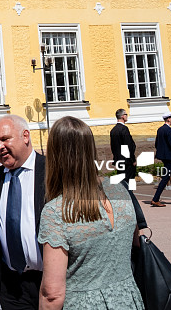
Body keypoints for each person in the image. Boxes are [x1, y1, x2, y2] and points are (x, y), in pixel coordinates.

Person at [37, 116, 144, 309]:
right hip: (127, 299)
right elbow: (136, 241)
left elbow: (52, 293)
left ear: (55, 156)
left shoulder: (56, 211)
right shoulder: (119, 189)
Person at [0, 115, 46, 310]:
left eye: (5, 139)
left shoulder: (51, 170)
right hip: (11, 286)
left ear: (25, 136)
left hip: (50, 280)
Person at [109, 109, 136, 184]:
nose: (127, 116)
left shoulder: (113, 130)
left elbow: (113, 147)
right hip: (127, 161)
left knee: (121, 182)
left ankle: (123, 195)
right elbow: (128, 146)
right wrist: (133, 159)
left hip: (119, 160)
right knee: (130, 181)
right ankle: (131, 195)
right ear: (122, 116)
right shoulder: (124, 129)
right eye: (126, 114)